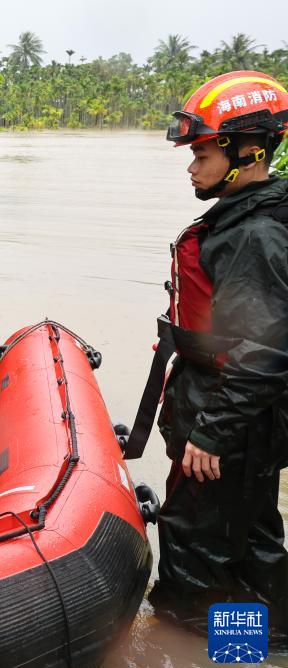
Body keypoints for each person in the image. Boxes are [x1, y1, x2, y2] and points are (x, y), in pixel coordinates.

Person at [140, 71, 288, 635]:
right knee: (250, 542)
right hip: (234, 416)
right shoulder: (245, 217)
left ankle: (206, 658)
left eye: (202, 152)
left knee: (198, 561)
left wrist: (212, 432)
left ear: (248, 153)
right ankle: (264, 648)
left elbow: (267, 348)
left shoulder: (255, 236)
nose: (191, 166)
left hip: (231, 424)